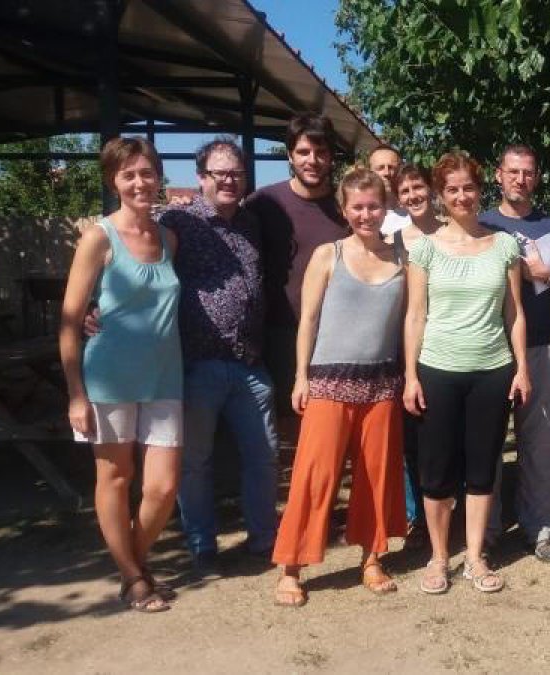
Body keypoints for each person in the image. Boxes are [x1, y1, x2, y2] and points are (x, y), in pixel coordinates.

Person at [271, 168, 408, 606]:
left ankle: (372, 558)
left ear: (385, 208)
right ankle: (291, 566)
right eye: (358, 207)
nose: (366, 214)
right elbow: (308, 320)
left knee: (377, 477)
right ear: (345, 210)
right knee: (314, 476)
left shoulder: (403, 258)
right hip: (329, 383)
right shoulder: (327, 255)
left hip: (381, 384)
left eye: (374, 206)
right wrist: (300, 376)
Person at [59, 137, 181, 613]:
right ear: (113, 181)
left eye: (146, 172)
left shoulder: (169, 239)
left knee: (162, 487)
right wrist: (75, 394)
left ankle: (134, 561)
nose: (139, 182)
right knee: (115, 477)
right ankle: (133, 577)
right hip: (108, 377)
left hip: (165, 377)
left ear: (158, 176)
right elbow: (71, 320)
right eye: (128, 174)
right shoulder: (98, 237)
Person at [404, 151, 529, 594]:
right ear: (440, 195)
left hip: (492, 371)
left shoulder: (505, 245)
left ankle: (475, 556)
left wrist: (522, 368)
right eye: (452, 189)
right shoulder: (423, 249)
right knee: (436, 470)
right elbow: (415, 315)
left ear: (480, 190)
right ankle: (439, 557)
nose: (462, 196)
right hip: (437, 370)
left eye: (468, 187)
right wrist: (411, 376)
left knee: (481, 468)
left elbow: (514, 312)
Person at [160, 138, 279, 577]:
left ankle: (263, 539)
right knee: (195, 463)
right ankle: (203, 546)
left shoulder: (251, 222)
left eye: (236, 173)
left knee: (264, 456)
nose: (229, 180)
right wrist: (96, 307)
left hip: (249, 363)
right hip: (199, 363)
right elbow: (139, 264)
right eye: (220, 173)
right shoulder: (176, 220)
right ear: (201, 177)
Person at [479, 144, 550, 563]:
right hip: (487, 347)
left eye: (528, 173)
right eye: (513, 171)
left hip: (537, 347)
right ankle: (485, 533)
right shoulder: (481, 224)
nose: (520, 179)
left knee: (538, 443)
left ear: (536, 178)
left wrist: (546, 275)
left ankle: (539, 529)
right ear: (498, 174)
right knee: (486, 446)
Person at [246, 114, 347, 418]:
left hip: (333, 340)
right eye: (303, 152)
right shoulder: (263, 204)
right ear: (290, 155)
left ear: (331, 156)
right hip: (276, 337)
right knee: (282, 429)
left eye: (321, 152)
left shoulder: (346, 208)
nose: (312, 160)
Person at [393, 163, 444, 547]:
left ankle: (452, 510)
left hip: (446, 346)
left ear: (432, 189)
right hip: (402, 348)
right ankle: (418, 519)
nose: (413, 195)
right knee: (412, 439)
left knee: (446, 435)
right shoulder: (392, 241)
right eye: (405, 190)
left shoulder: (452, 233)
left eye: (418, 187)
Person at [369, 144, 413, 236]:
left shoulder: (415, 208)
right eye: (380, 168)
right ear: (370, 172)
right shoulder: (364, 214)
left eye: (391, 167)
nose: (387, 173)